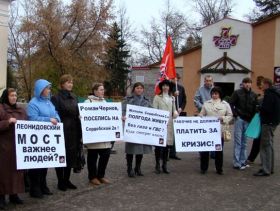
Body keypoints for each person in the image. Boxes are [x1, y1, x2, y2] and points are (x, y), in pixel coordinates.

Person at [27, 79, 61, 198]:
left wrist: (57, 119)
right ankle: (34, 188)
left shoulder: (49, 102)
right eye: (47, 88)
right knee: (36, 165)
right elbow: (32, 119)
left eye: (49, 88)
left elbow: (55, 113)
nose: (49, 90)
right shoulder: (33, 103)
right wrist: (48, 120)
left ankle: (43, 185)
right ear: (41, 90)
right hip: (37, 138)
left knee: (45, 163)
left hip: (48, 138)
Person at [51, 74, 82, 191]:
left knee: (71, 155)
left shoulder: (74, 97)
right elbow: (55, 114)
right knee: (61, 155)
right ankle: (60, 181)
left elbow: (78, 111)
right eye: (68, 82)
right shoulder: (56, 98)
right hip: (62, 130)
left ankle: (67, 179)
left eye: (71, 82)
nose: (70, 84)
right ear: (62, 84)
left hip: (74, 129)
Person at [0, 89, 27, 209]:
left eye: (16, 95)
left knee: (16, 173)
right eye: (11, 95)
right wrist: (7, 122)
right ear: (6, 96)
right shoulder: (1, 108)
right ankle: (1, 197)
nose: (14, 97)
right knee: (3, 173)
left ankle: (14, 194)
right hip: (4, 147)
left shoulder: (21, 110)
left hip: (18, 146)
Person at [199, 87, 233, 175]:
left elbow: (230, 115)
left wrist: (223, 118)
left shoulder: (225, 104)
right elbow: (201, 114)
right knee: (205, 150)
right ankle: (203, 168)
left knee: (218, 150)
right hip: (207, 130)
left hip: (219, 131)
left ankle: (219, 168)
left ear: (219, 94)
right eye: (213, 93)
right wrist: (201, 117)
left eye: (216, 93)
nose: (214, 95)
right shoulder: (206, 104)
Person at [122, 82, 153, 177]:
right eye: (137, 88)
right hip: (131, 129)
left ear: (143, 90)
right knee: (131, 149)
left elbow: (153, 112)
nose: (139, 90)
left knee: (140, 149)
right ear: (134, 89)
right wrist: (123, 116)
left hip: (142, 129)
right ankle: (129, 168)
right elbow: (122, 110)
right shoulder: (127, 100)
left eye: (141, 88)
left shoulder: (147, 101)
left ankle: (138, 168)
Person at [85, 83, 111, 185]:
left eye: (103, 90)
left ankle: (101, 175)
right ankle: (92, 176)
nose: (102, 91)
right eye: (100, 90)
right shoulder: (88, 102)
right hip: (94, 135)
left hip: (104, 135)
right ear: (95, 91)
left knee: (106, 155)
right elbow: (83, 116)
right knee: (93, 156)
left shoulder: (105, 102)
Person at [229, 77, 258, 170]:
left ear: (251, 84)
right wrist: (235, 114)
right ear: (243, 84)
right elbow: (231, 104)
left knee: (245, 142)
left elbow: (255, 107)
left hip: (248, 120)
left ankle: (243, 161)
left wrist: (253, 118)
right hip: (239, 119)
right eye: (245, 83)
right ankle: (236, 162)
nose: (247, 84)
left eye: (249, 83)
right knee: (238, 141)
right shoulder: (237, 92)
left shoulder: (253, 94)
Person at [254, 78, 280, 176]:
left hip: (267, 123)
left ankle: (266, 169)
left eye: (262, 84)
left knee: (265, 146)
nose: (261, 86)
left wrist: (259, 107)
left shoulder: (269, 95)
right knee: (270, 144)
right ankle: (270, 167)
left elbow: (267, 109)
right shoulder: (276, 94)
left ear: (266, 84)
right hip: (274, 122)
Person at [153, 79, 178, 174]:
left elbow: (174, 110)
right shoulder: (157, 97)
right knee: (159, 146)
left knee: (167, 146)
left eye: (167, 86)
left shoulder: (172, 98)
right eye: (163, 86)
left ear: (169, 87)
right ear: (161, 87)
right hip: (160, 123)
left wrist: (176, 113)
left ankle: (164, 165)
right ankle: (157, 165)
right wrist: (160, 119)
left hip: (169, 123)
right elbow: (154, 110)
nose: (165, 87)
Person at [194, 75, 215, 159]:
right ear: (204, 81)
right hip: (202, 114)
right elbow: (196, 100)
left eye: (210, 80)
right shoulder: (200, 89)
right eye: (206, 80)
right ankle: (202, 152)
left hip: (213, 115)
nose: (208, 82)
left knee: (212, 133)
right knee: (202, 134)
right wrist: (203, 107)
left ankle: (213, 152)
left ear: (212, 81)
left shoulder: (215, 90)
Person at [247, 76, 264, 164]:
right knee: (258, 140)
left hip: (265, 121)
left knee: (263, 141)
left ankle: (259, 159)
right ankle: (252, 158)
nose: (260, 87)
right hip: (260, 120)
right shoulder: (261, 97)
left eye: (260, 84)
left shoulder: (267, 97)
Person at [169, 73, 187, 160]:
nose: (175, 80)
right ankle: (164, 153)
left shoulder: (181, 88)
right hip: (169, 113)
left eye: (177, 78)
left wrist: (181, 108)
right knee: (168, 133)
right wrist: (173, 95)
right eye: (173, 78)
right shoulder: (167, 87)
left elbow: (184, 100)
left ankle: (173, 152)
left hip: (177, 113)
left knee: (176, 134)